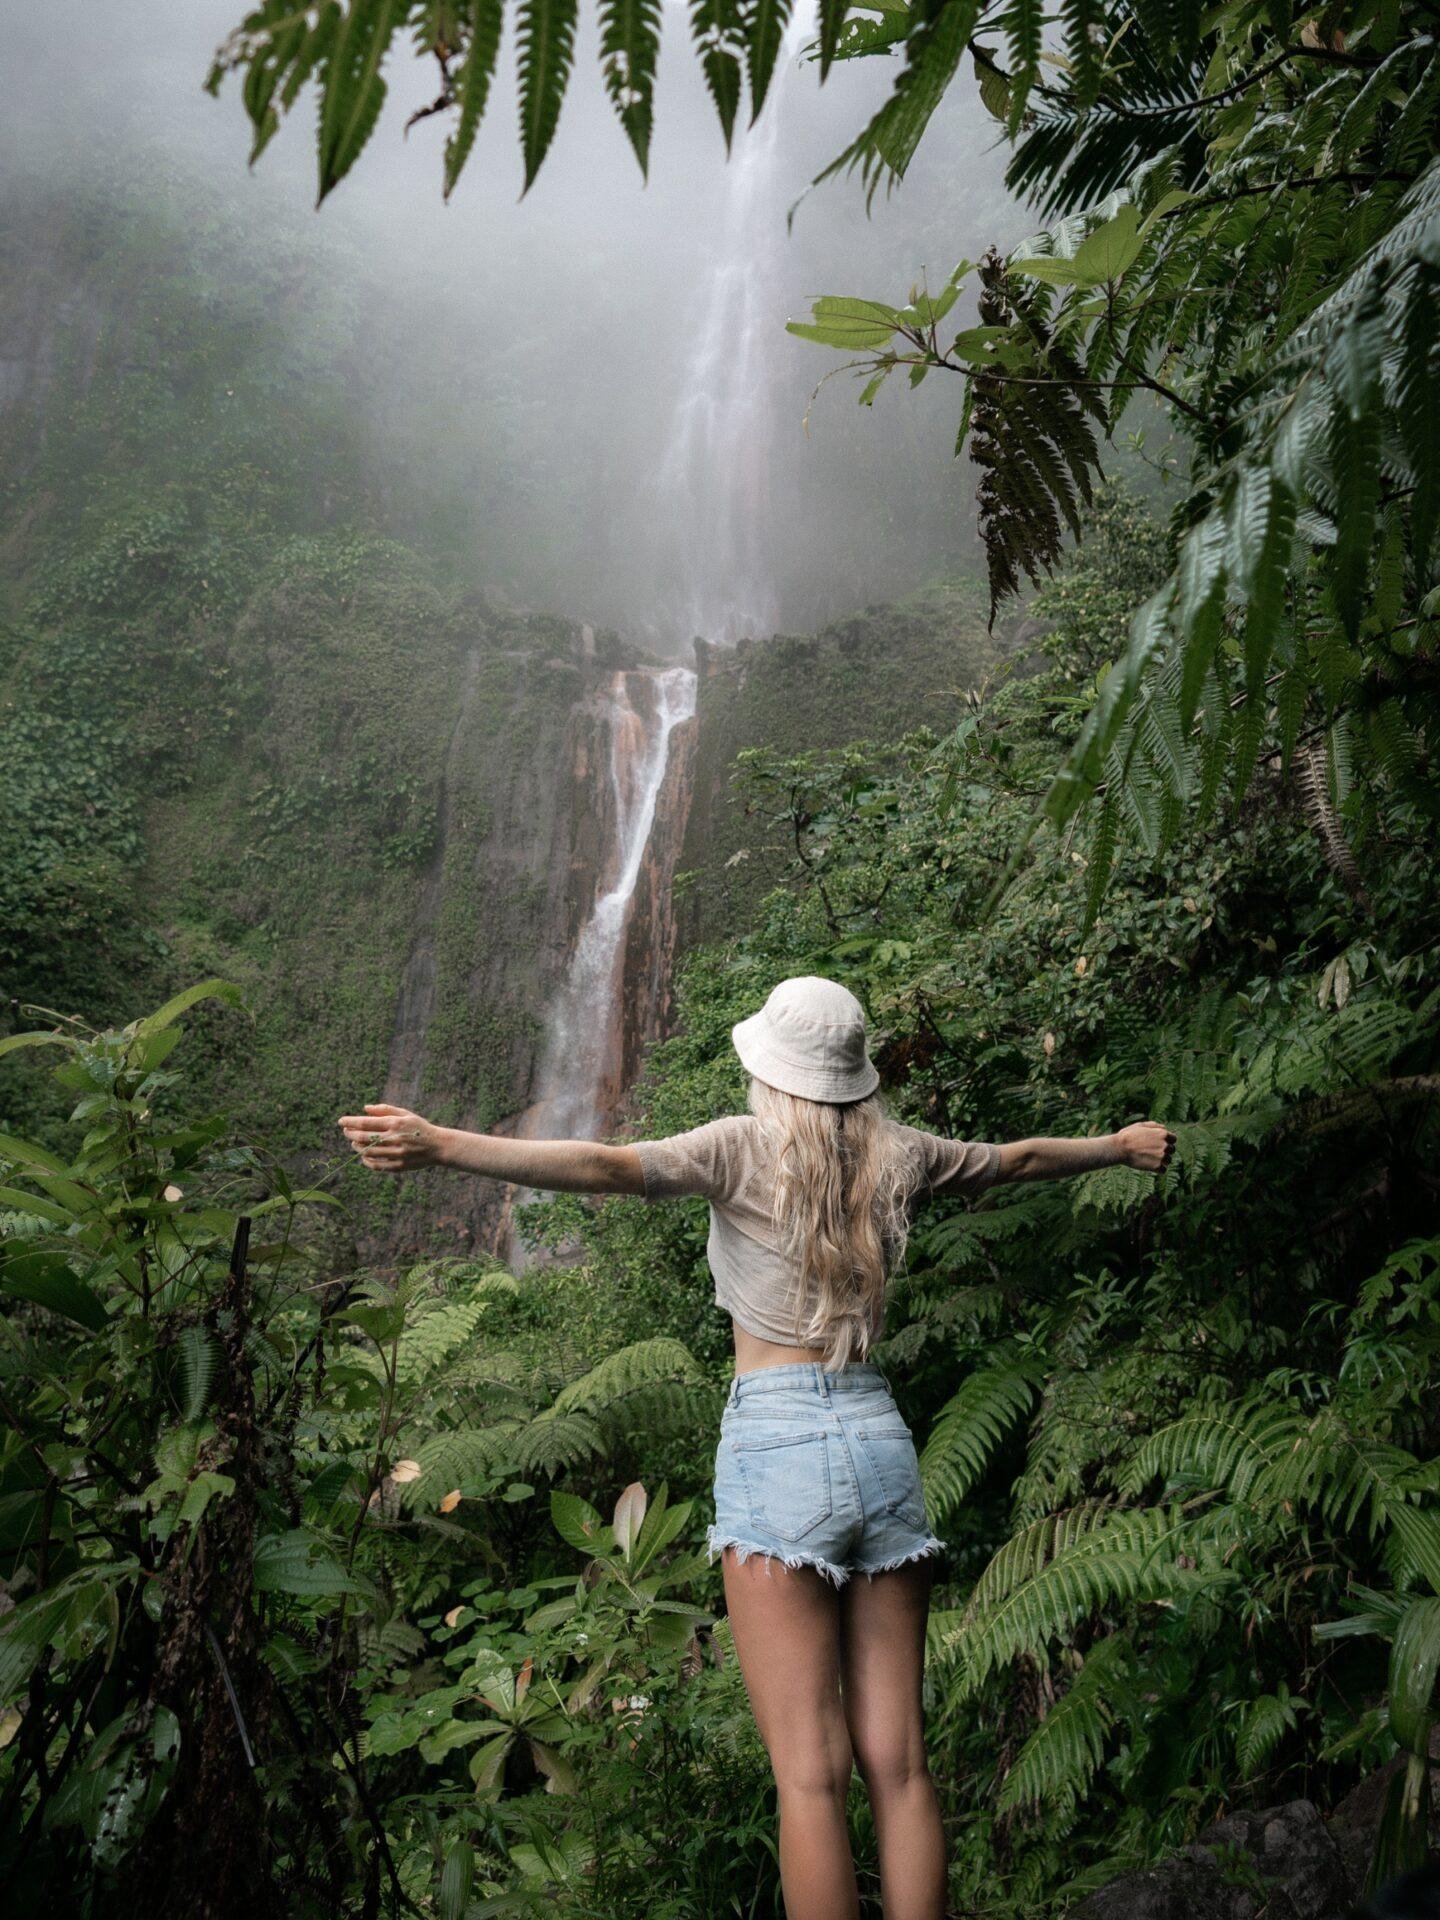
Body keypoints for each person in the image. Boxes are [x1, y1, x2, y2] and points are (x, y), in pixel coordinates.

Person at [339, 975, 1175, 1920]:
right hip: (880, 1440)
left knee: (811, 1778)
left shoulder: (738, 1149)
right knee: (899, 1767)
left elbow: (606, 1166)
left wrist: (441, 1144)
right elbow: (1019, 1160)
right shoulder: (901, 1154)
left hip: (775, 1446)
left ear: (772, 1073)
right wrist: (1117, 1145)